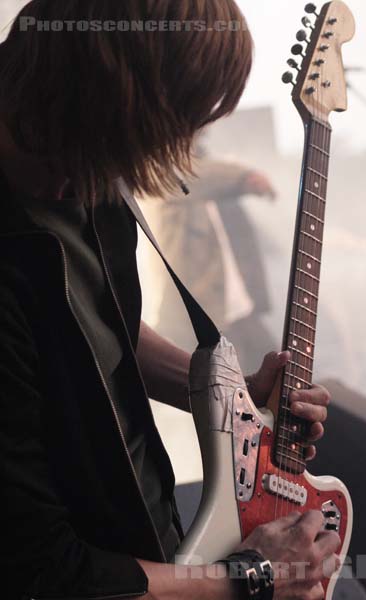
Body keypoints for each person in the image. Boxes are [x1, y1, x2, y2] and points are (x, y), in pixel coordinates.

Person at [0, 2, 337, 600]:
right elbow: (44, 572)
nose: (169, 148)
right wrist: (251, 576)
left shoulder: (86, 168)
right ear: (105, 102)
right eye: (166, 127)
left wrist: (228, 398)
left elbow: (102, 325)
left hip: (155, 539)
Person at [147, 148, 278, 372]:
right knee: (232, 397)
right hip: (206, 318)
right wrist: (244, 176)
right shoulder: (160, 175)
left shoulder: (216, 186)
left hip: (241, 311)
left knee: (281, 378)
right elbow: (191, 175)